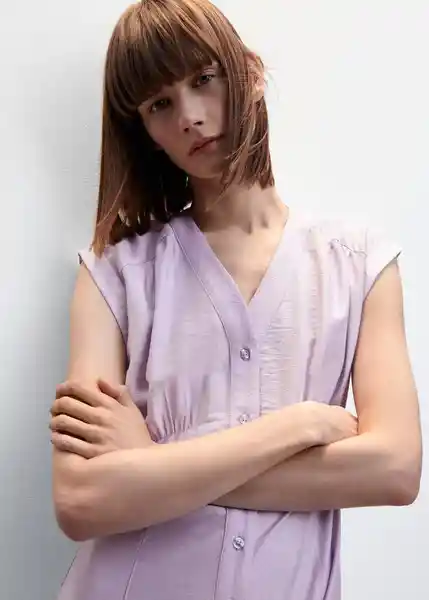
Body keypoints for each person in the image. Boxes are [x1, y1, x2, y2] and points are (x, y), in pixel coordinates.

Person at [49, 1, 422, 599]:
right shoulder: (113, 274)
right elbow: (82, 500)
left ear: (249, 72)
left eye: (204, 78)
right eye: (159, 105)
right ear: (144, 131)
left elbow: (395, 470)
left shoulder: (360, 265)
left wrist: (153, 463)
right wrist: (298, 426)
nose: (190, 117)